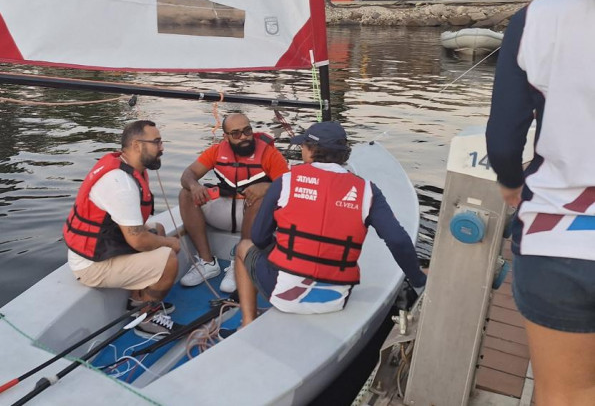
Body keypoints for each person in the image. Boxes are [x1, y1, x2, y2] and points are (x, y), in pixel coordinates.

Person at [486, 0, 595, 405]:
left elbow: (505, 135)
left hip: (560, 233)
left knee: (564, 392)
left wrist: (511, 184)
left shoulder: (541, 15)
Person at [225, 122, 426, 332]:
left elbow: (259, 238)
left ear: (311, 150)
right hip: (335, 300)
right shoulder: (368, 190)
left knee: (244, 247)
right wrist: (418, 281)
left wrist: (285, 250)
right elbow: (398, 240)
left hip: (284, 295)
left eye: (303, 146)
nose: (301, 150)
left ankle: (247, 321)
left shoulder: (285, 182)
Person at [63, 120, 183, 338]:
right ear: (137, 145)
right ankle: (144, 317)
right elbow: (137, 240)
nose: (162, 147)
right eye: (157, 142)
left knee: (158, 228)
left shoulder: (125, 166)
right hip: (92, 266)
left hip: (102, 245)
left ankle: (137, 300)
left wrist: (161, 238)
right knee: (169, 259)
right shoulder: (121, 183)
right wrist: (170, 244)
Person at [177, 113, 289, 293]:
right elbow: (188, 174)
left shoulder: (269, 154)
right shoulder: (215, 151)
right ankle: (207, 263)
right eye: (236, 134)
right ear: (226, 137)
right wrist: (194, 185)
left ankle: (240, 262)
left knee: (260, 200)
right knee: (186, 194)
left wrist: (267, 188)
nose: (244, 137)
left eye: (247, 131)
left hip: (254, 214)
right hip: (224, 208)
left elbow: (289, 186)